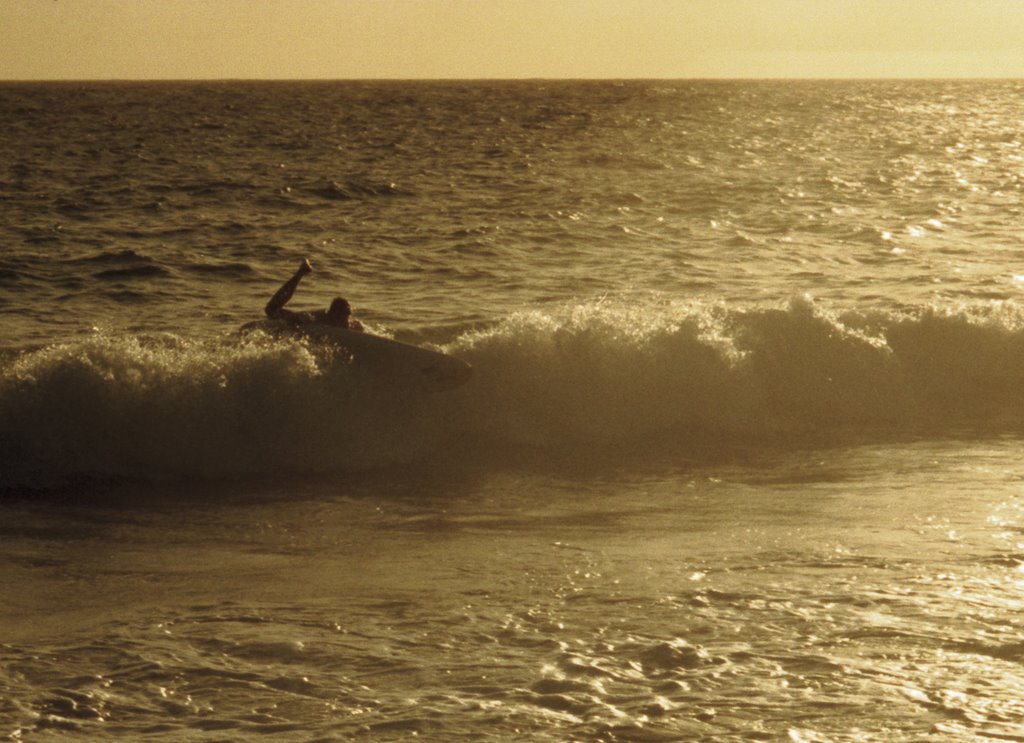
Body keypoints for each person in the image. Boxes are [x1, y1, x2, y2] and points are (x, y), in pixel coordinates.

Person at [265, 259, 364, 331]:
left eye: (347, 316)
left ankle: (301, 272)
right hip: (296, 319)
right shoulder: (319, 318)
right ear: (332, 315)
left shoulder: (353, 325)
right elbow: (297, 319)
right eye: (341, 317)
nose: (345, 322)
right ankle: (301, 273)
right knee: (270, 310)